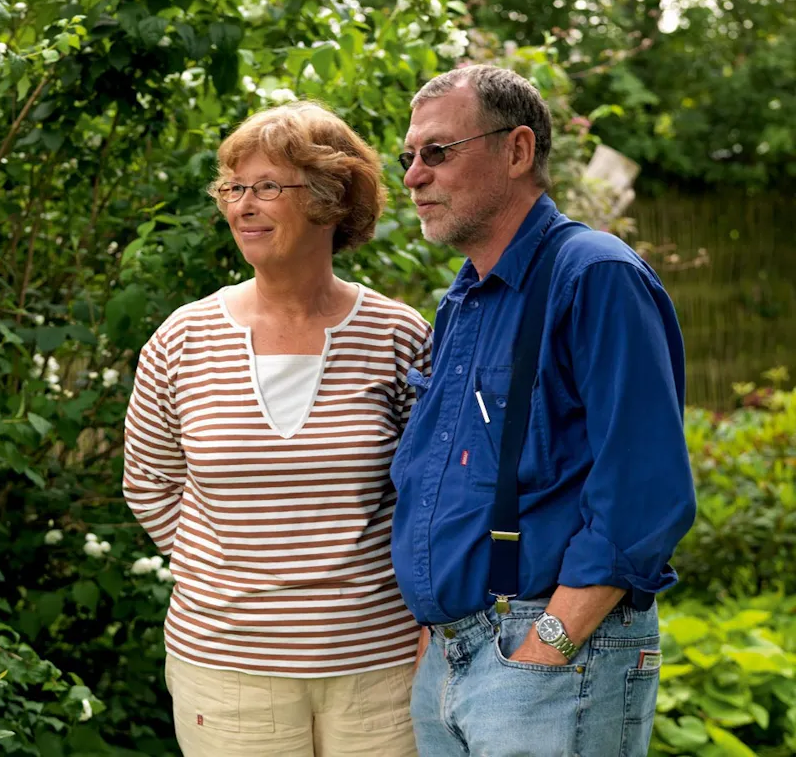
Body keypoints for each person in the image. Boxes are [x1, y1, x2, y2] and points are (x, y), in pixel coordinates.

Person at [389, 64, 696, 757]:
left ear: (518, 150)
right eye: (408, 157)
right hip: (451, 661)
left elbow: (644, 494)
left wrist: (546, 645)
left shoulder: (594, 275)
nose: (413, 177)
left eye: (437, 151)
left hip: (544, 659)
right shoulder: (463, 301)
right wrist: (437, 639)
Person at [122, 101, 431, 757]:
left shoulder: (399, 336)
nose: (243, 206)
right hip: (226, 669)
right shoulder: (182, 339)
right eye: (233, 188)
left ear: (331, 198)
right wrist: (231, 572)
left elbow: (432, 493)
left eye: (266, 186)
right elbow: (149, 482)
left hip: (379, 664)